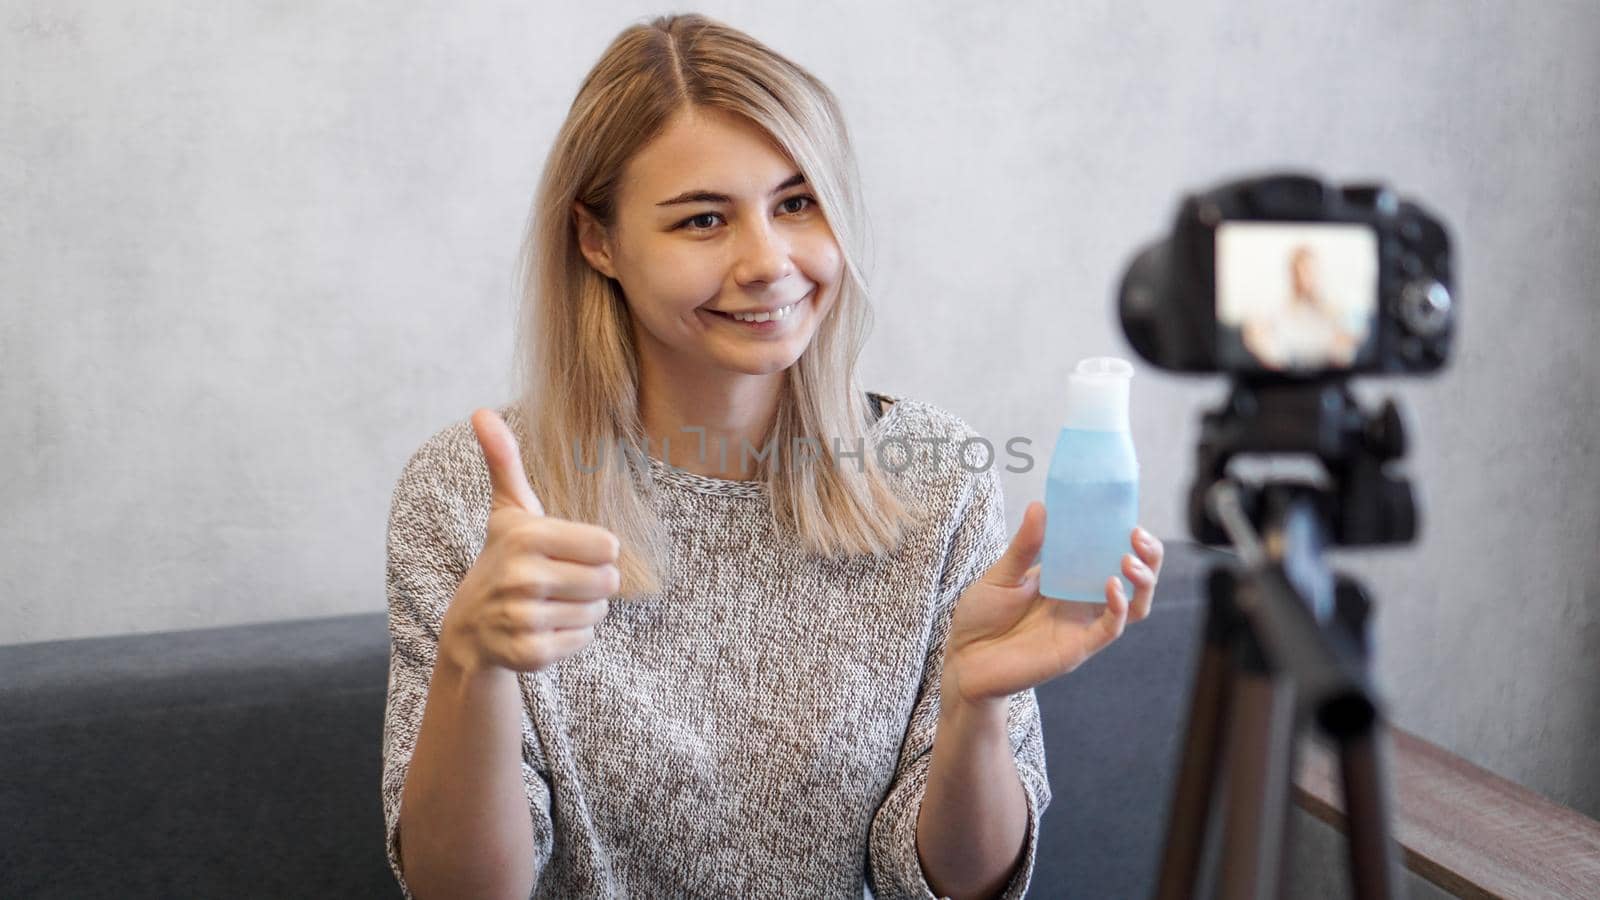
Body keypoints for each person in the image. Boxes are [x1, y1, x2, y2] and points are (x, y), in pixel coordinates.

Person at [380, 13, 1165, 900]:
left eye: (797, 203)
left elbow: (955, 888)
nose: (769, 262)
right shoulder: (467, 495)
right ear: (597, 242)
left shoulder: (937, 474)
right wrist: (470, 664)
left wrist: (974, 707)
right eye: (703, 220)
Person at [1240, 244, 1362, 371]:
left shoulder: (1334, 306)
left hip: (1327, 367)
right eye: (1301, 271)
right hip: (1285, 368)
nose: (1307, 278)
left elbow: (1350, 341)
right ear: (1292, 274)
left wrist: (1331, 313)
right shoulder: (1278, 307)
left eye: (1311, 271)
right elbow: (1257, 337)